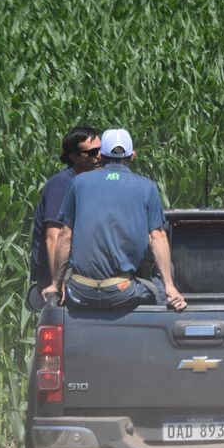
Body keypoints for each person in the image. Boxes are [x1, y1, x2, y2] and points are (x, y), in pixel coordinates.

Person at [47, 128, 187, 311]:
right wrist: (169, 287)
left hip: (80, 291)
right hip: (121, 291)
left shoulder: (78, 183)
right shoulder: (147, 187)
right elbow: (157, 237)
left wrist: (56, 285)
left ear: (101, 156)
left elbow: (65, 237)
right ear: (133, 156)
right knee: (158, 288)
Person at [31, 126, 101, 296]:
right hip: (60, 278)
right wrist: (58, 282)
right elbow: (53, 236)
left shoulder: (89, 181)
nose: (99, 156)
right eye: (92, 153)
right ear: (74, 157)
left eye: (101, 150)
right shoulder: (62, 185)